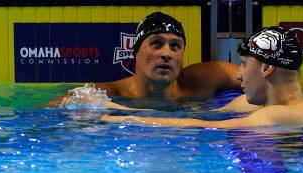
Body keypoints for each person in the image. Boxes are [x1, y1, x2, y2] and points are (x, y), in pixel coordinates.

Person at [100, 26, 303, 128]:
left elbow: (198, 125)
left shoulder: (277, 115)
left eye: (244, 64)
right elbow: (207, 115)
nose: (238, 75)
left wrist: (117, 119)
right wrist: (118, 108)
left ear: (266, 69)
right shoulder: (270, 107)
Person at [48, 12, 243, 107]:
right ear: (136, 51)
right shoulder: (114, 93)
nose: (167, 53)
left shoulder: (206, 78)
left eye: (175, 46)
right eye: (157, 44)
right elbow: (47, 110)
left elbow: (255, 75)